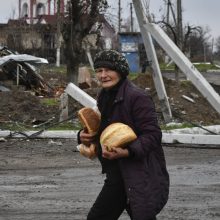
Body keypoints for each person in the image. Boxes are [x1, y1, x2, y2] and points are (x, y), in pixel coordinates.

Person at [78, 50, 169, 220]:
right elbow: (106, 131)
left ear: (120, 71)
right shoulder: (104, 95)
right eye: (99, 70)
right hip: (117, 172)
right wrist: (84, 135)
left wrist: (127, 152)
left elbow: (153, 135)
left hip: (137, 173)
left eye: (108, 70)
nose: (103, 75)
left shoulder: (137, 97)